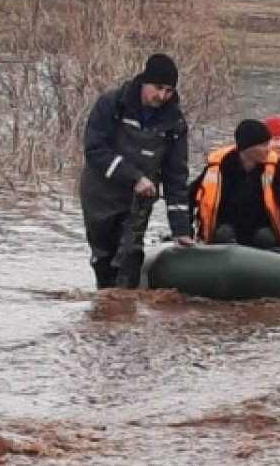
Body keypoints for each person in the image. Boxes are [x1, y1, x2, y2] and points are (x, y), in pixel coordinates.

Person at [80, 53, 194, 290]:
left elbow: (176, 175)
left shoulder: (175, 123)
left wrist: (181, 229)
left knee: (129, 256)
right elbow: (95, 150)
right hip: (100, 194)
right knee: (103, 259)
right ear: (144, 82)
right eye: (158, 88)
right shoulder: (112, 104)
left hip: (139, 200)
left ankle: (125, 314)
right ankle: (105, 313)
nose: (162, 96)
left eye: (169, 91)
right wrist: (134, 176)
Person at [191, 119, 280, 256]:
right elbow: (189, 198)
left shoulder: (272, 170)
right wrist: (184, 232)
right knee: (223, 234)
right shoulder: (218, 168)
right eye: (263, 145)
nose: (269, 149)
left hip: (260, 229)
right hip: (227, 229)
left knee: (265, 237)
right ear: (247, 148)